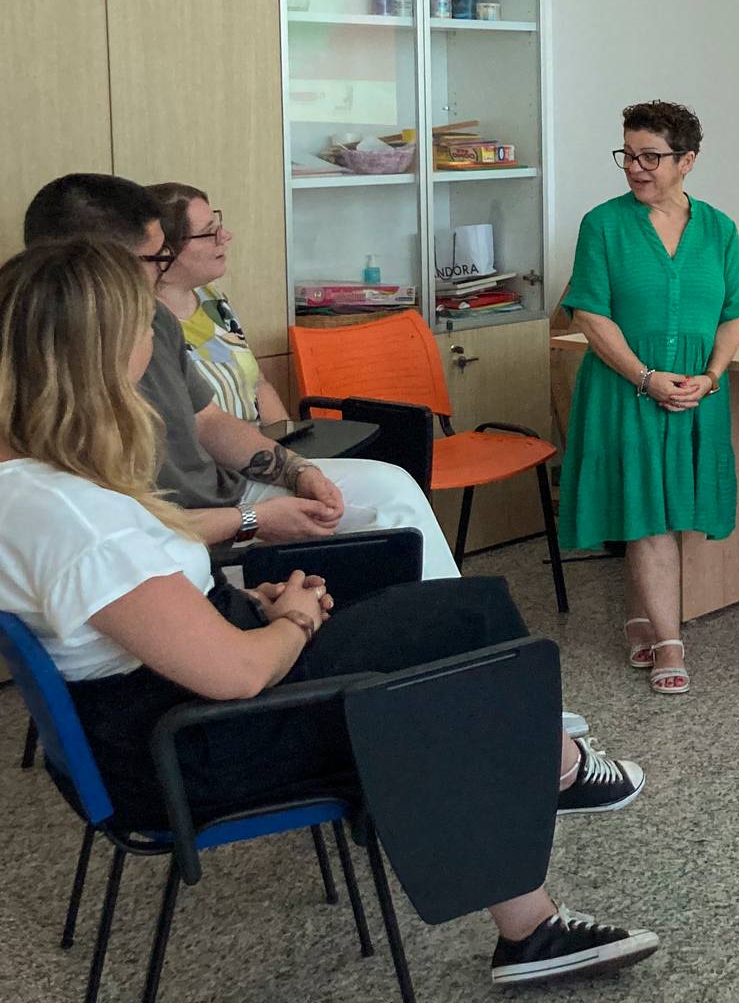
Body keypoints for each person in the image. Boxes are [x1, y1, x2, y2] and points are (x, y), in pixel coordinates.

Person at [0, 239, 657, 985]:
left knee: (459, 617)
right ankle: (543, 834)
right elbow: (236, 675)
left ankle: (538, 847)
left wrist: (244, 602)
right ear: (98, 353)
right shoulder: (79, 519)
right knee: (466, 642)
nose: (152, 340)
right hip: (193, 750)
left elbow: (134, 611)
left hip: (156, 718)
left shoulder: (30, 486)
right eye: (138, 327)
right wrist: (296, 619)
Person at [22, 174, 460, 578]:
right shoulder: (49, 375)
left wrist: (297, 470)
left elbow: (208, 420)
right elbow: (125, 529)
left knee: (390, 487)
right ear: (98, 266)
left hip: (226, 495)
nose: (162, 268)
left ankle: (443, 615)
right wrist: (251, 521)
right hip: (181, 533)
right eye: (155, 258)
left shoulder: (155, 318)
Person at [558, 101, 739, 697]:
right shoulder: (602, 225)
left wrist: (711, 376)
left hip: (695, 392)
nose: (635, 168)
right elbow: (589, 314)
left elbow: (735, 311)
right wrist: (645, 377)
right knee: (646, 511)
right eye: (628, 155)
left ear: (687, 161)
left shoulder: (719, 229)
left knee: (667, 508)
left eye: (650, 157)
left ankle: (642, 617)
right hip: (626, 388)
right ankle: (670, 641)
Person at [148, 182, 285, 425]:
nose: (225, 236)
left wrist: (288, 441)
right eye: (209, 232)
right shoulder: (142, 323)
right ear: (164, 252)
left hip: (258, 445)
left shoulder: (212, 299)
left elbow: (258, 383)